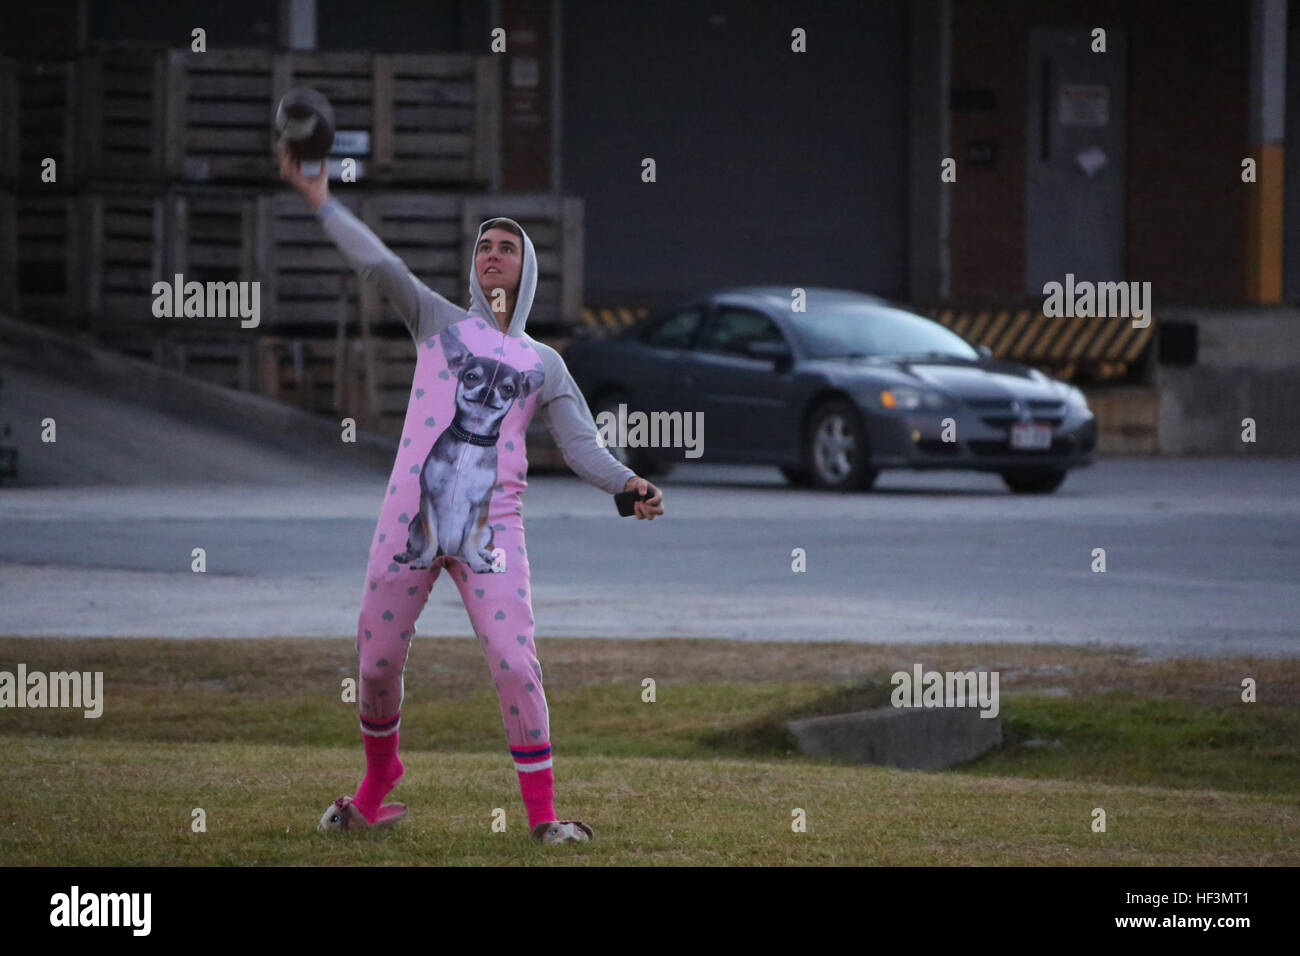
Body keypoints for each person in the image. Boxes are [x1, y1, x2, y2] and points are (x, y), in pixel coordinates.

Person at [279, 149, 665, 844]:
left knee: (516, 663)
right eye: (484, 246)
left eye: (507, 248)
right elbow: (381, 267)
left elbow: (581, 446)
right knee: (375, 665)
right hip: (410, 520)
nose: (492, 255)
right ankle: (376, 784)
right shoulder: (436, 323)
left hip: (493, 530)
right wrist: (321, 201)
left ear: (527, 269)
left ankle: (544, 819)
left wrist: (627, 483)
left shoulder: (544, 364)